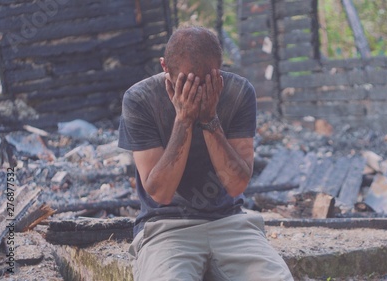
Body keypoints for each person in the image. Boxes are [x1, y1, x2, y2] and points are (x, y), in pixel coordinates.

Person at [118, 26, 293, 281]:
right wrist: (183, 121)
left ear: (220, 68)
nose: (198, 93)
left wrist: (210, 120)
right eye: (187, 83)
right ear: (164, 67)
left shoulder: (238, 92)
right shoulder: (140, 99)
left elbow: (237, 185)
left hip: (230, 222)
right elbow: (160, 192)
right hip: (166, 227)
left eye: (208, 82)